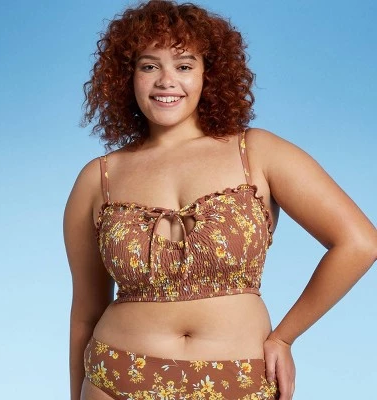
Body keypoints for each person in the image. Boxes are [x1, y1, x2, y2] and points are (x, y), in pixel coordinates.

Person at [63, 1, 377, 399]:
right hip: (115, 377)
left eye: (184, 65)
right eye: (149, 66)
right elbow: (86, 313)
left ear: (208, 74)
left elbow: (360, 243)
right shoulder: (99, 178)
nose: (166, 81)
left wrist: (284, 337)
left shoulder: (256, 152)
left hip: (238, 379)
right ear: (127, 76)